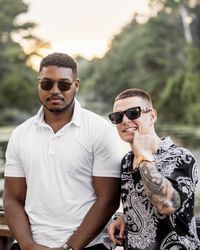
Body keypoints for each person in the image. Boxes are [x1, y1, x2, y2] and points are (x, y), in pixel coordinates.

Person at [3, 52, 122, 250]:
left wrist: (69, 248)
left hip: (88, 246)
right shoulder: (20, 134)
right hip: (31, 244)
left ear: (76, 85)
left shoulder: (100, 130)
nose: (55, 90)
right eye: (47, 84)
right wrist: (28, 245)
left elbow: (108, 199)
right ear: (38, 84)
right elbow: (12, 198)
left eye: (64, 84)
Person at [107, 88, 200, 249]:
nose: (124, 120)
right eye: (117, 116)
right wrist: (125, 217)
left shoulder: (180, 157)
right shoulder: (127, 160)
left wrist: (143, 155)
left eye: (133, 113)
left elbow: (167, 205)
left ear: (152, 116)